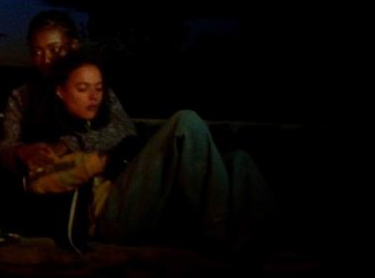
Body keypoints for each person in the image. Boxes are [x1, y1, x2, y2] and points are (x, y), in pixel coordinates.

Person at [21, 52, 276, 249]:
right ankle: (220, 236)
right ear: (60, 91)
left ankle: (262, 238)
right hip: (109, 218)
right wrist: (99, 162)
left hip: (139, 201)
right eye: (82, 88)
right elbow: (38, 180)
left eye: (98, 88)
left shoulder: (106, 124)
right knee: (185, 122)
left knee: (238, 161)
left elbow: (130, 139)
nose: (93, 96)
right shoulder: (51, 132)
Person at [0, 10, 135, 176]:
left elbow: (124, 130)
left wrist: (68, 144)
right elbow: (5, 148)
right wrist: (22, 152)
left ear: (73, 46)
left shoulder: (93, 84)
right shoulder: (22, 96)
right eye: (37, 52)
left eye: (55, 50)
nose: (46, 59)